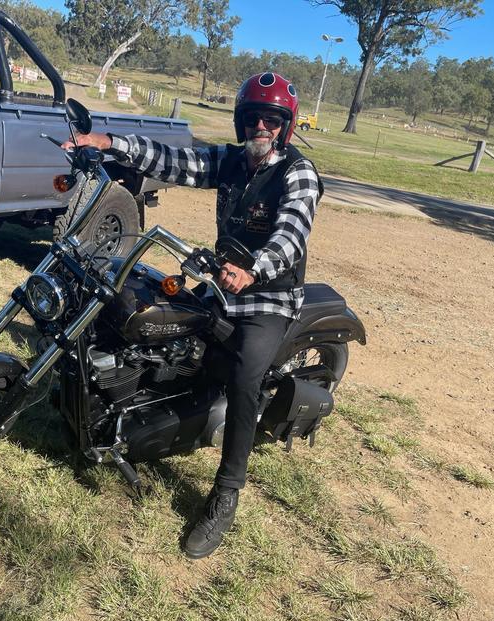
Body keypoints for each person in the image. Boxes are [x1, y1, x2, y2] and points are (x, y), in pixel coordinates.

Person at [63, 72, 323, 559]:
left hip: (267, 296)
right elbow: (172, 159)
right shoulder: (232, 160)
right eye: (252, 118)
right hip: (221, 284)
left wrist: (254, 269)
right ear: (241, 122)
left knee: (246, 375)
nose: (260, 127)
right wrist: (107, 142)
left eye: (271, 119)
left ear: (285, 126)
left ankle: (226, 492)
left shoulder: (297, 173)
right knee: (155, 324)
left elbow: (291, 235)